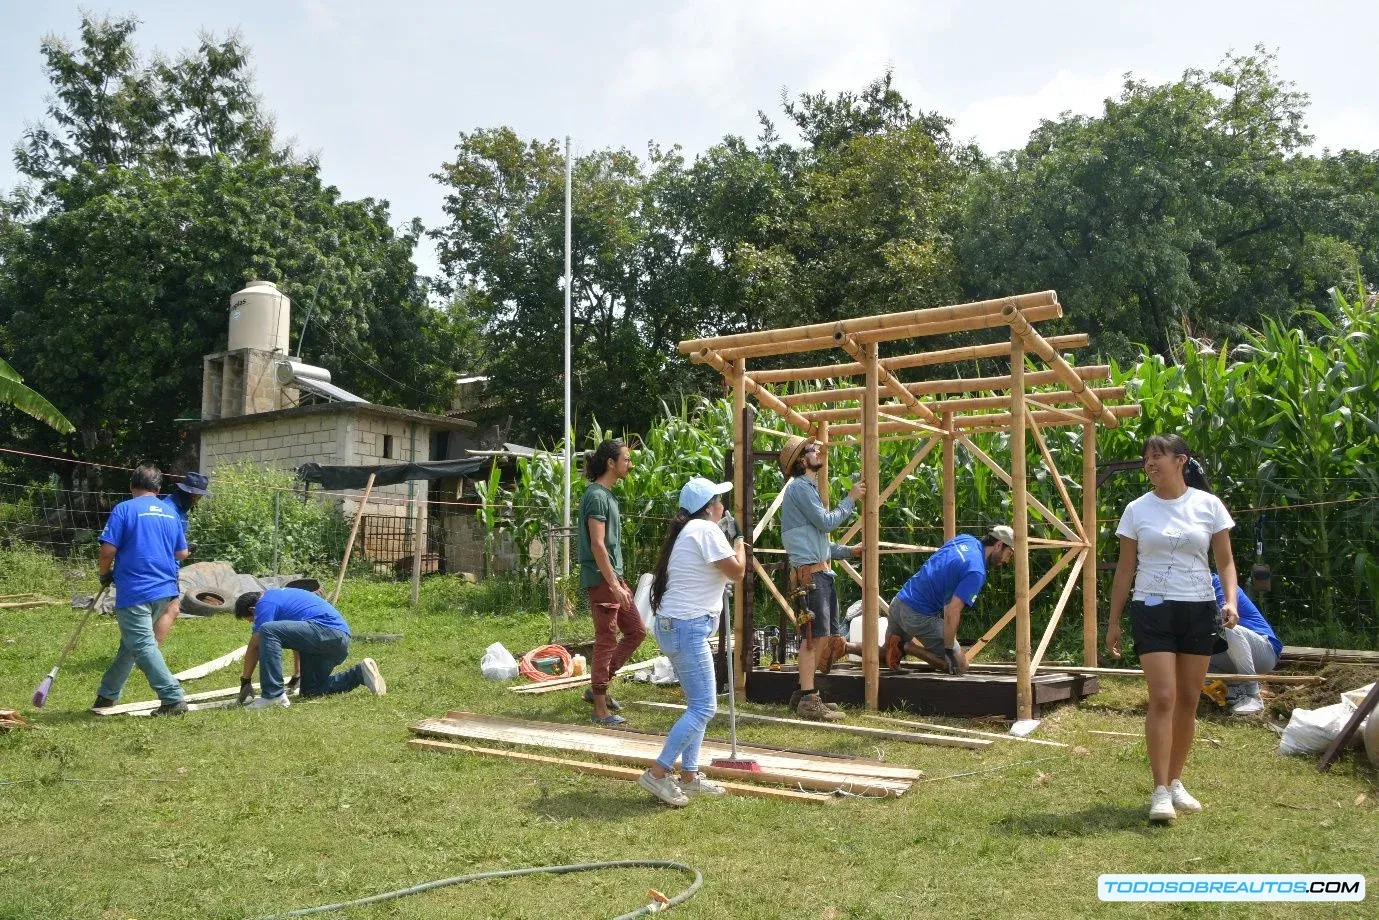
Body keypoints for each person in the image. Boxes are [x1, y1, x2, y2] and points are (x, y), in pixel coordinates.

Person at [1106, 434, 1239, 822]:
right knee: (1163, 696)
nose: (1149, 463)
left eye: (1157, 457)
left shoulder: (1209, 505)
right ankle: (1160, 790)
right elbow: (1125, 569)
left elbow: (1226, 561)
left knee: (1188, 699)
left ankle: (1177, 782)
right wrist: (1114, 621)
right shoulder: (1136, 510)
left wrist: (1229, 600)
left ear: (1181, 460)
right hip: (1152, 609)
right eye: (1146, 458)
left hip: (1199, 609)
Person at [637, 476, 747, 807]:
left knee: (697, 704)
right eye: (718, 502)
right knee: (703, 707)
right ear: (708, 508)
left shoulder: (692, 531)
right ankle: (657, 773)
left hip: (678, 627)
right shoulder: (706, 531)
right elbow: (738, 571)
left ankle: (689, 774)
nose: (723, 507)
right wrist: (740, 540)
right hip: (687, 628)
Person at [778, 435, 864, 721]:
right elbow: (827, 523)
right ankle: (807, 699)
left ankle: (802, 692)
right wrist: (850, 499)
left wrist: (849, 551)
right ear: (802, 460)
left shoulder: (807, 490)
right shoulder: (800, 489)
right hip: (810, 576)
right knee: (813, 638)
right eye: (813, 450)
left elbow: (821, 543)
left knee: (823, 636)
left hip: (818, 572)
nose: (819, 452)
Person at [92, 463, 189, 715]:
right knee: (131, 644)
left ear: (132, 485)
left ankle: (172, 698)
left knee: (142, 644)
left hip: (137, 589)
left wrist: (104, 574)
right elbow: (182, 552)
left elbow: (107, 550)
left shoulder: (124, 509)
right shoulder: (171, 512)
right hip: (165, 589)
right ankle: (107, 695)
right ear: (158, 488)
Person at [575, 439, 645, 726]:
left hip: (614, 576)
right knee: (606, 640)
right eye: (626, 459)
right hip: (604, 579)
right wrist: (613, 584)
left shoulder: (607, 495)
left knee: (636, 631)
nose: (629, 464)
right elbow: (597, 545)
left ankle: (597, 688)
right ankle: (601, 710)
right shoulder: (596, 497)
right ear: (611, 463)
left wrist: (618, 580)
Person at [883, 526, 1015, 673]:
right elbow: (951, 610)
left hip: (899, 601)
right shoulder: (976, 571)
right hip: (917, 615)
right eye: (1008, 554)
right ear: (998, 545)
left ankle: (851, 647)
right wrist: (948, 649)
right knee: (959, 666)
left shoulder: (965, 539)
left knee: (884, 655)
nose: (1006, 561)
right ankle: (904, 646)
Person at [233, 587, 386, 709]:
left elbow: (255, 645)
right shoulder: (281, 599)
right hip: (334, 641)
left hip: (327, 632)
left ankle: (273, 695)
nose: (254, 623)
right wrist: (297, 674)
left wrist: (245, 681)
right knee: (311, 691)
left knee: (267, 630)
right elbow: (297, 638)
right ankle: (359, 673)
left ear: (253, 609)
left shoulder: (265, 603)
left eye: (251, 620)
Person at [152, 471, 212, 646]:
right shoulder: (171, 510)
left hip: (166, 565)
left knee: (160, 610)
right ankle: (151, 652)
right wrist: (182, 550)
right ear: (193, 495)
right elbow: (162, 543)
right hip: (165, 567)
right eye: (198, 496)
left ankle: (145, 650)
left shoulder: (175, 507)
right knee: (171, 609)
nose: (198, 500)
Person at [1208, 573, 1280, 715]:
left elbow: (1223, 618)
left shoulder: (1219, 583)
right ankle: (1233, 692)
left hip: (1264, 652)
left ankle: (1252, 695)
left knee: (1226, 629)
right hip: (1231, 655)